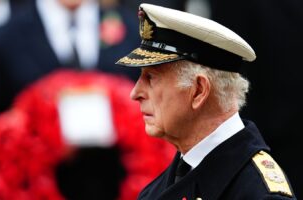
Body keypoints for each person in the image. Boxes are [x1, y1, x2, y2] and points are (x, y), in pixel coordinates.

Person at [115, 3, 297, 200]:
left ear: (199, 91)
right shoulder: (156, 190)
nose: (135, 93)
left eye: (151, 78)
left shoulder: (259, 194)